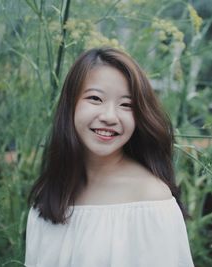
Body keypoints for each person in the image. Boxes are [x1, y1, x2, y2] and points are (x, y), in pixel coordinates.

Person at [25, 47, 194, 267]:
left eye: (126, 105)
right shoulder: (50, 193)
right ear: (70, 105)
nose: (109, 116)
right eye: (95, 98)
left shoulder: (149, 198)